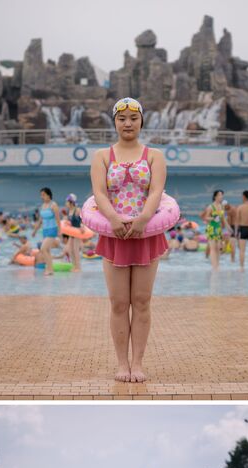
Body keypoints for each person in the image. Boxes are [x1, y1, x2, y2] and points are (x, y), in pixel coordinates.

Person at [90, 98, 168, 383]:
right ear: (114, 121)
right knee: (119, 303)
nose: (127, 123)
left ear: (141, 121)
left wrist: (144, 219)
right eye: (121, 118)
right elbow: (98, 192)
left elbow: (156, 191)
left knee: (142, 300)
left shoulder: (154, 156)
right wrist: (112, 219)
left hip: (146, 233)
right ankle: (122, 364)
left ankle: (138, 363)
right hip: (115, 235)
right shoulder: (102, 155)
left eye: (133, 118)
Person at [32, 187, 62, 276]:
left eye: (43, 195)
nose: (42, 197)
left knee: (43, 248)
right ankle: (50, 269)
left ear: (49, 195)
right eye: (41, 195)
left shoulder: (53, 205)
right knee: (47, 250)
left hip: (52, 230)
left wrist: (59, 231)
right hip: (45, 230)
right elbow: (40, 221)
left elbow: (58, 219)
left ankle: (49, 269)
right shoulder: (43, 206)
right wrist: (35, 231)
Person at [202, 190, 226, 270]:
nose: (221, 196)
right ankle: (214, 266)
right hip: (211, 228)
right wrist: (213, 218)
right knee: (212, 248)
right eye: (219, 195)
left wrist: (225, 228)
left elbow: (223, 219)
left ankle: (217, 265)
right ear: (215, 196)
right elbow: (205, 217)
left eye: (222, 195)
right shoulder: (210, 206)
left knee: (218, 247)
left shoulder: (222, 206)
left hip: (218, 228)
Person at [65, 193, 83, 272]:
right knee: (70, 250)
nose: (66, 203)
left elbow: (82, 220)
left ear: (71, 202)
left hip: (77, 232)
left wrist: (82, 227)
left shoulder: (77, 210)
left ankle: (78, 267)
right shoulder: (69, 211)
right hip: (71, 233)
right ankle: (74, 266)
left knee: (76, 250)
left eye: (67, 202)